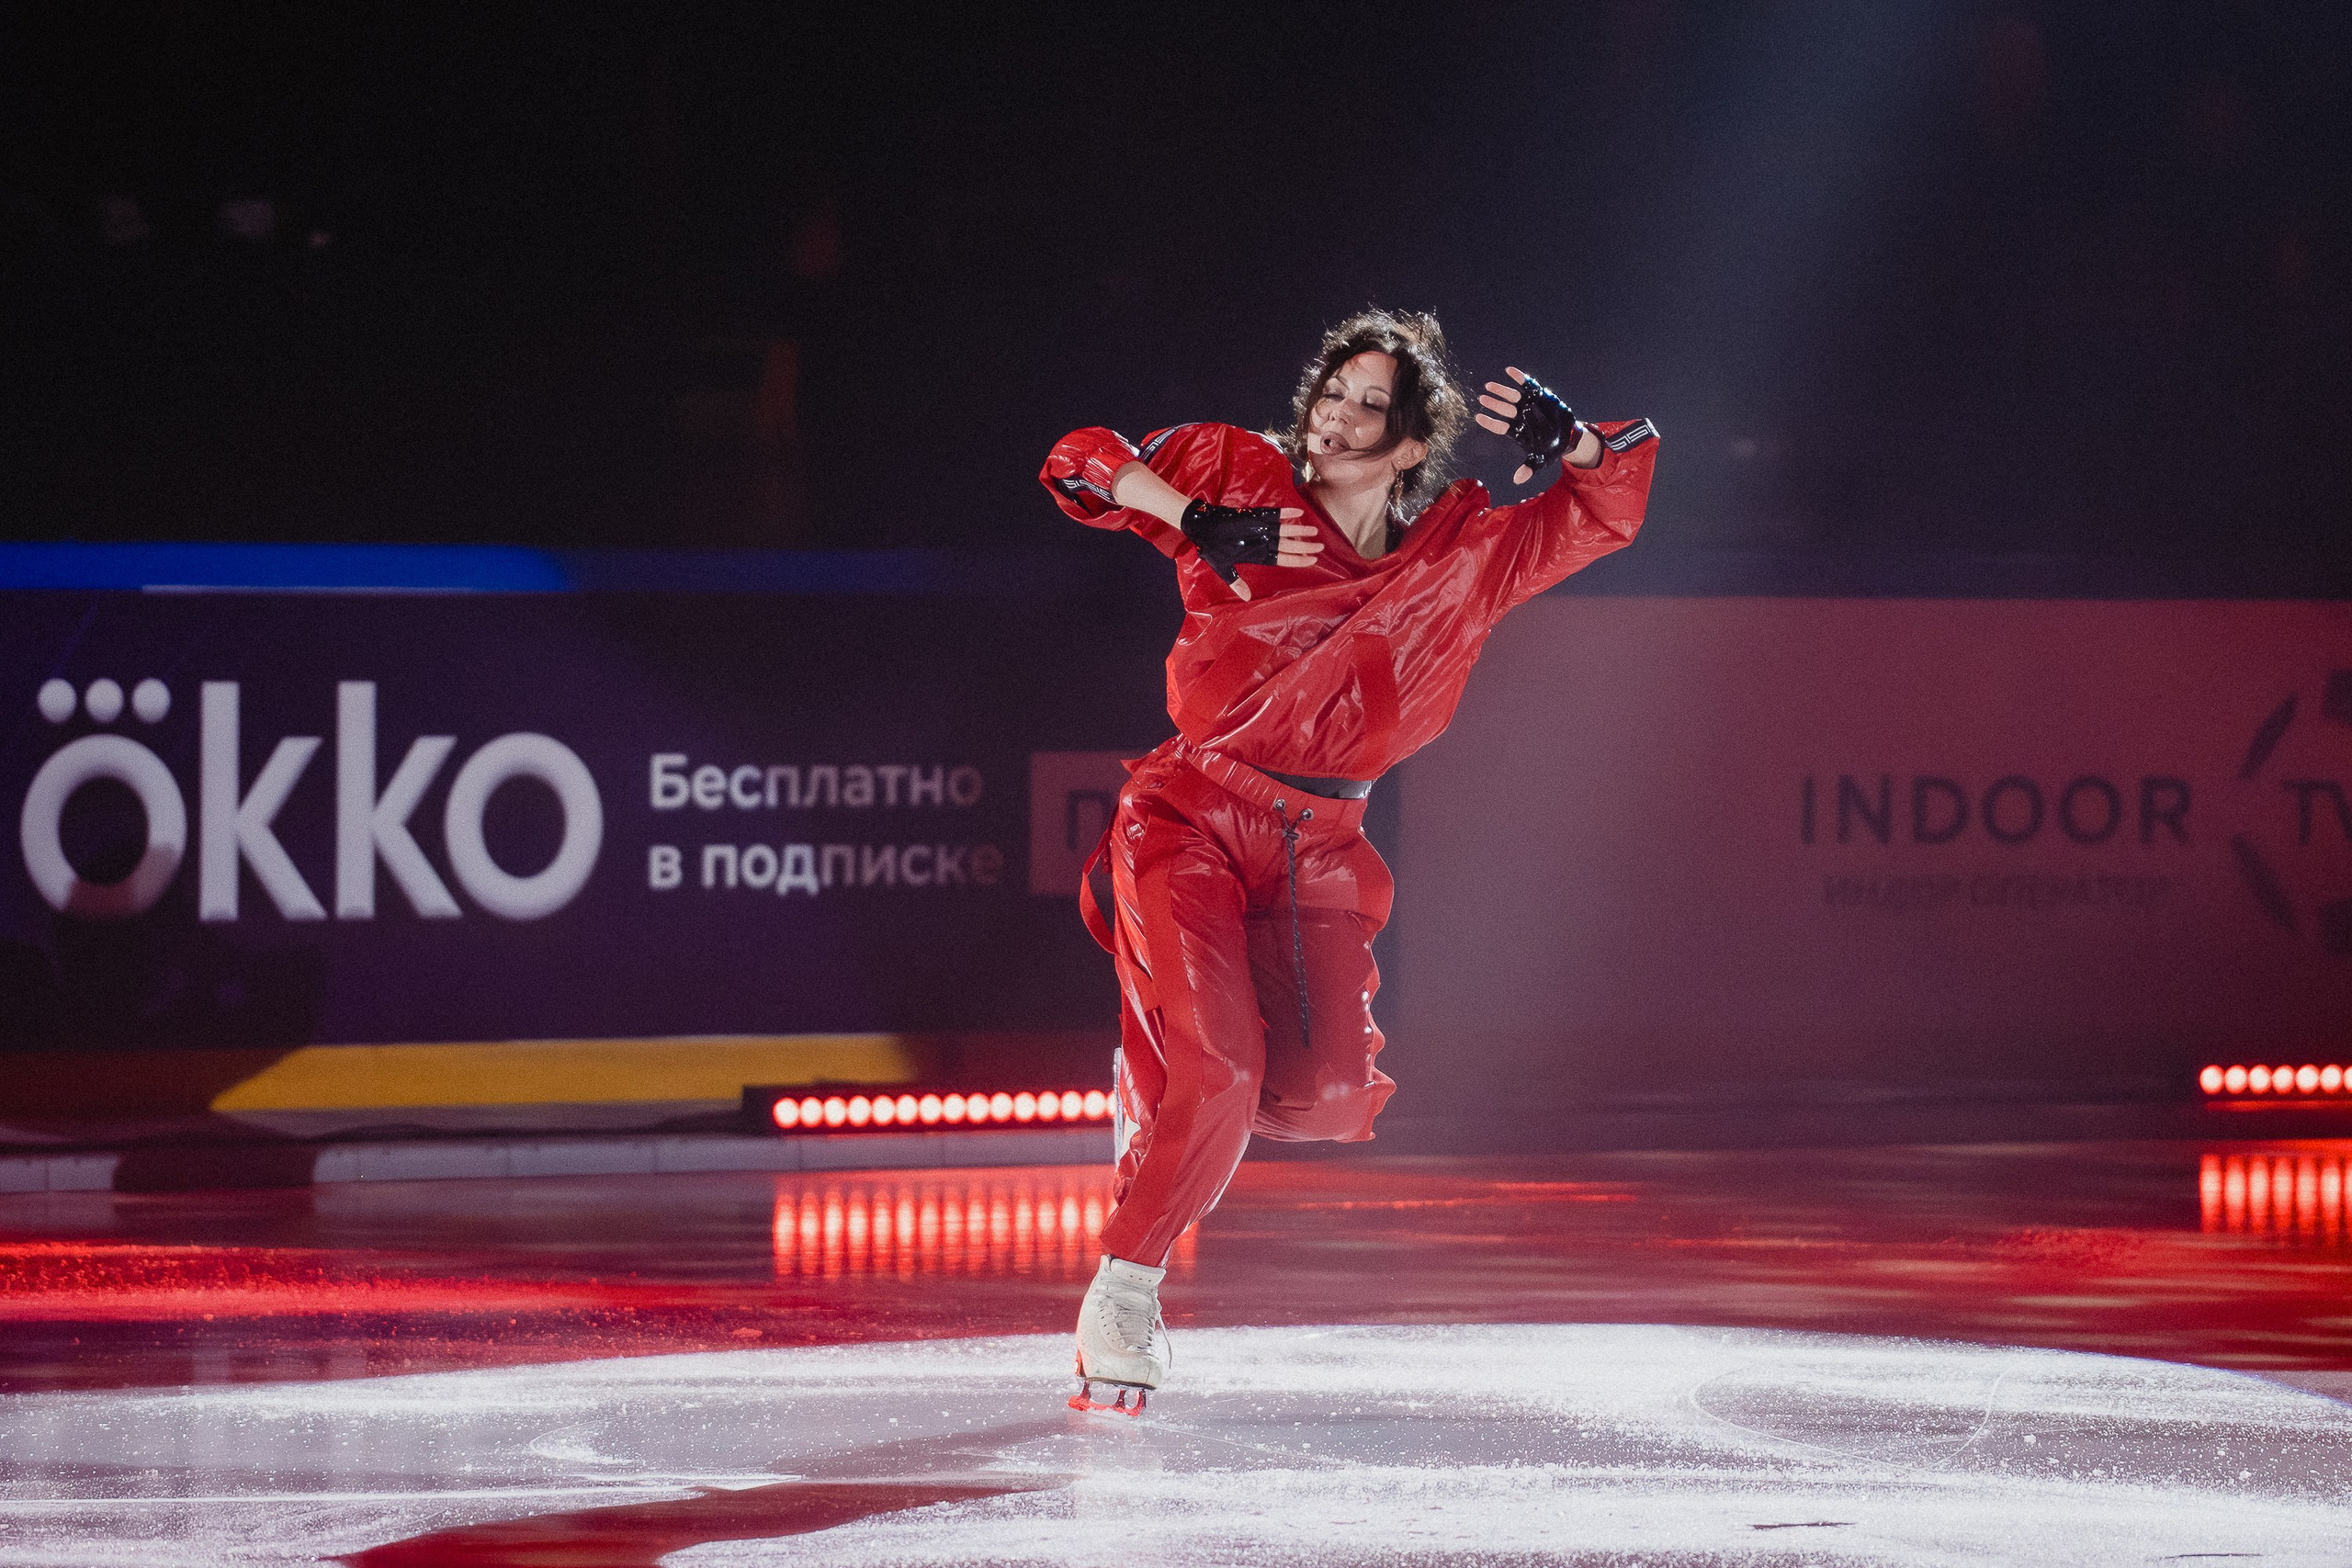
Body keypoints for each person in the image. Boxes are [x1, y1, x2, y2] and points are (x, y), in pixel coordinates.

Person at [1039, 309, 1658, 1411]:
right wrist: (1191, 518)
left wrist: (1576, 446)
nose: (1335, 414)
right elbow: (1080, 461)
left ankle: (1165, 1081)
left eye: (1369, 404)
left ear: (1412, 444)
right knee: (1221, 1071)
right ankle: (1124, 1293)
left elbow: (1604, 513)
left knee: (1326, 1099)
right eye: (1331, 391)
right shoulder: (1239, 480)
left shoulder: (1460, 558)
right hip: (1188, 816)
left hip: (1317, 847)